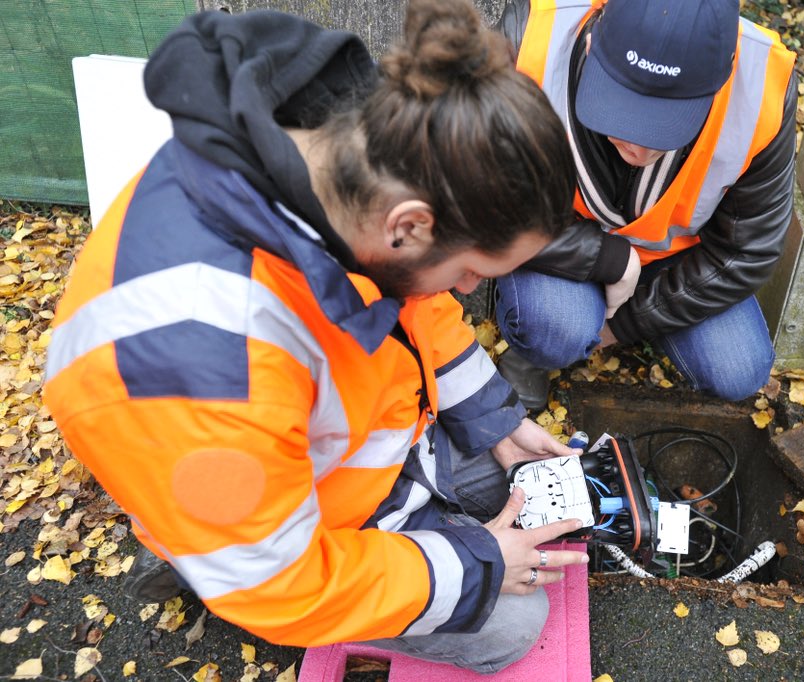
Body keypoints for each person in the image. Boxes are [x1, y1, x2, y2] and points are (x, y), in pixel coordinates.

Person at [42, 0, 590, 673]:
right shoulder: (201, 366)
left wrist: (492, 419)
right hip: (245, 510)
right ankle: (197, 567)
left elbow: (413, 300)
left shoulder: (351, 156)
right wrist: (475, 563)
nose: (471, 289)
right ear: (410, 226)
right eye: (473, 269)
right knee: (509, 622)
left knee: (524, 486)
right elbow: (279, 583)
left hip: (342, 443)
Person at [493, 0, 798, 409]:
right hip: (559, 248)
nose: (637, 148)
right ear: (590, 48)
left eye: (666, 122)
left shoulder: (763, 83)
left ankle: (623, 324)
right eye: (622, 107)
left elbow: (746, 253)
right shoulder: (533, 38)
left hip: (679, 264)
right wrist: (608, 260)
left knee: (738, 369)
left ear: (719, 82)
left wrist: (622, 324)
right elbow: (487, 201)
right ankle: (541, 347)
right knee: (555, 329)